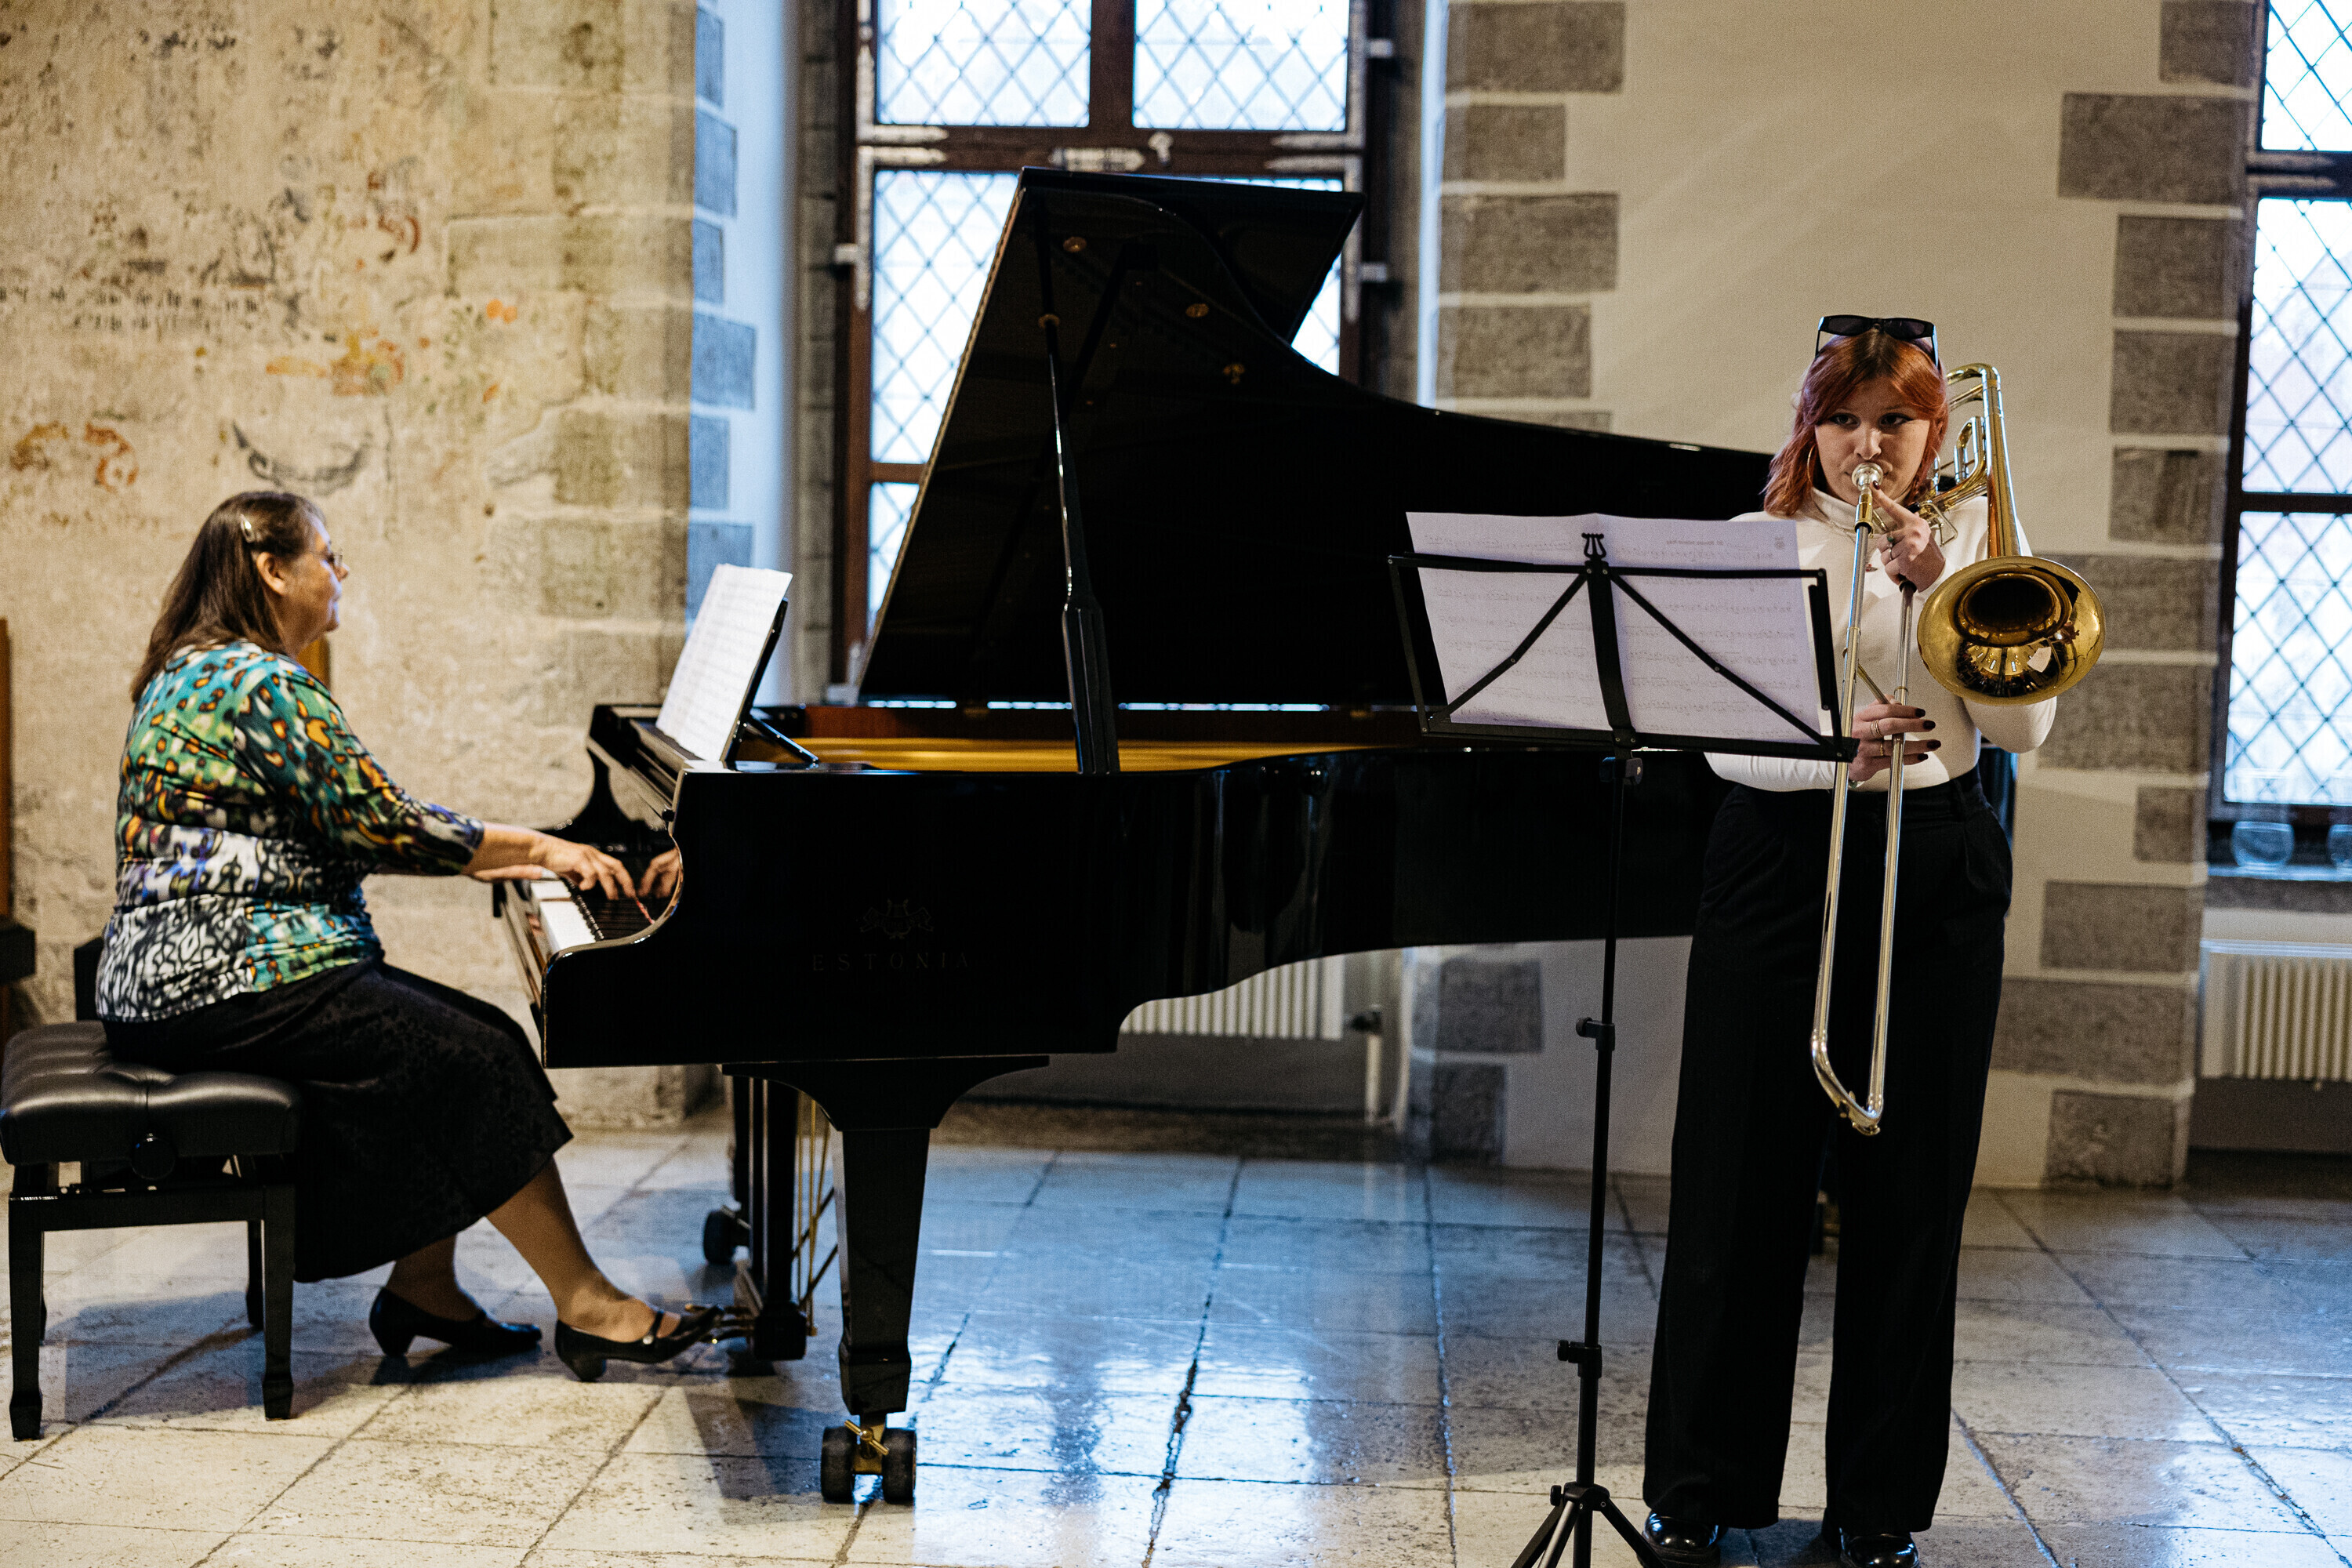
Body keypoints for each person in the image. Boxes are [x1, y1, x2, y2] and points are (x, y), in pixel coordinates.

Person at [96, 490, 711, 1381]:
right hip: (221, 978)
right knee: (479, 1056)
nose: (340, 571)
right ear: (273, 571)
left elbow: (342, 822)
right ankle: (590, 1306)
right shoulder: (259, 683)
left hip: (177, 980)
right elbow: (383, 822)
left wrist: (506, 855)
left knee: (471, 1035)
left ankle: (427, 1286)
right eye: (327, 555)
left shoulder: (193, 667)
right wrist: (540, 849)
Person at [1639, 319, 2056, 1568]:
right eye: (1844, 419)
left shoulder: (1979, 545)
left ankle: (1877, 1512)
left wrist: (1935, 584)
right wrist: (1831, 752)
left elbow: (2022, 731)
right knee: (1735, 1181)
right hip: (1777, 854)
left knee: (1912, 1199)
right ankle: (1700, 1491)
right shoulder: (1754, 544)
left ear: (1936, 433)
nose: (1867, 445)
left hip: (1936, 863)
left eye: (1894, 421)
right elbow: (1716, 741)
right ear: (1809, 426)